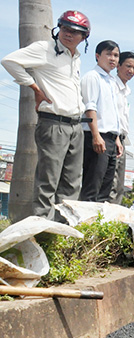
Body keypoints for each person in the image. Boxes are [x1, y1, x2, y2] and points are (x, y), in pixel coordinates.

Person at [1, 10, 91, 220]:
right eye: (65, 28)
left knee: (72, 182)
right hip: (53, 123)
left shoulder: (75, 57)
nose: (68, 34)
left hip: (76, 125)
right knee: (48, 180)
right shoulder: (44, 49)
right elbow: (9, 61)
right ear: (58, 29)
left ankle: (64, 226)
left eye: (74, 31)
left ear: (84, 37)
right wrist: (34, 87)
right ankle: (43, 228)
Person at [79, 40, 122, 202]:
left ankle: (98, 218)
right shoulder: (92, 77)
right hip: (96, 136)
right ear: (97, 56)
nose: (113, 58)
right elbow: (90, 107)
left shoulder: (111, 81)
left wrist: (116, 139)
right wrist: (96, 136)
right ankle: (85, 218)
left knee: (105, 189)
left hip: (110, 139)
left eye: (116, 55)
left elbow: (112, 113)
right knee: (92, 186)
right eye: (109, 54)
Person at [109, 51, 134, 204]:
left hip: (121, 139)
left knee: (119, 184)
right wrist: (115, 138)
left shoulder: (125, 90)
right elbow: (109, 114)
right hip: (111, 137)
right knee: (111, 183)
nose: (131, 71)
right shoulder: (111, 86)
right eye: (128, 66)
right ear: (118, 65)